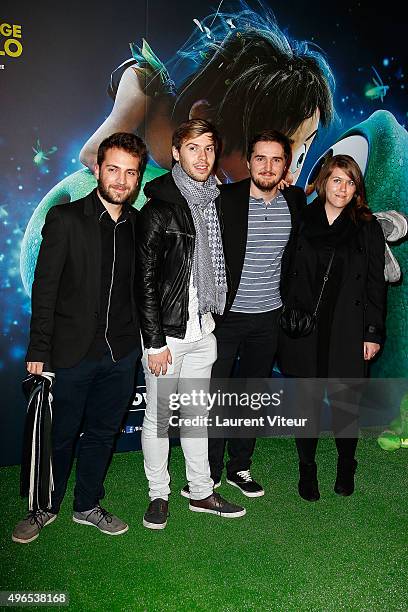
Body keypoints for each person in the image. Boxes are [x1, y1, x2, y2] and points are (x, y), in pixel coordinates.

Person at [12, 132, 147, 543]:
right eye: (113, 170)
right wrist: (39, 349)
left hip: (120, 354)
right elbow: (45, 288)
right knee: (61, 435)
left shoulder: (139, 225)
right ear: (96, 170)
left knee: (103, 434)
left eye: (130, 172)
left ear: (138, 178)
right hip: (69, 353)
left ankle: (87, 505)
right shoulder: (65, 220)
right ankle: (42, 509)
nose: (121, 181)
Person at [79, 2, 334, 184]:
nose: (289, 176)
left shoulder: (219, 174)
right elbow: (90, 156)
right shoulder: (148, 104)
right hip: (145, 82)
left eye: (298, 157)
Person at [136, 119, 246, 529]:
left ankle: (200, 490)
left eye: (209, 148)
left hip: (203, 330)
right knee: (160, 418)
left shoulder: (213, 200)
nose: (203, 156)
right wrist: (153, 343)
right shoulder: (159, 208)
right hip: (166, 336)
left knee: (197, 417)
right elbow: (143, 281)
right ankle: (158, 494)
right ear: (177, 153)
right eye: (194, 147)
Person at [198, 130, 306, 497]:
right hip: (225, 318)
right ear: (248, 161)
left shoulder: (294, 201)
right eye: (261, 158)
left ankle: (239, 467)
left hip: (269, 318)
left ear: (286, 166)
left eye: (277, 159)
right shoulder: (224, 198)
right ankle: (208, 472)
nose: (268, 166)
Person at [278, 154, 386, 501]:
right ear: (322, 181)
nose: (342, 188)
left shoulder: (367, 226)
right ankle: (306, 469)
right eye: (336, 179)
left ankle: (345, 464)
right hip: (306, 327)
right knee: (305, 402)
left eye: (350, 181)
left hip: (348, 328)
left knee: (345, 403)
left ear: (357, 189)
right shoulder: (302, 218)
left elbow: (375, 284)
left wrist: (372, 332)